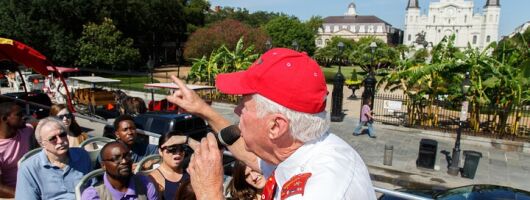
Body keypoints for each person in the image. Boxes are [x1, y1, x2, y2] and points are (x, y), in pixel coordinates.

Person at [166, 48, 376, 199]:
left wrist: (209, 193)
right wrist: (202, 109)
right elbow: (252, 156)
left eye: (244, 105)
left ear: (276, 126)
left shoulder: (322, 191)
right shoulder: (301, 147)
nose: (237, 110)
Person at [15, 117, 92, 199]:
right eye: (53, 138)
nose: (60, 141)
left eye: (62, 135)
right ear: (42, 144)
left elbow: (93, 188)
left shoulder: (82, 155)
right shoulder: (28, 168)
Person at [81, 141, 159, 200]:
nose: (124, 161)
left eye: (127, 156)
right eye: (116, 158)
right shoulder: (93, 195)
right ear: (103, 166)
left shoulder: (144, 183)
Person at [0, 103, 33, 198]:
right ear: (5, 119)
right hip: (12, 194)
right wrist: (27, 195)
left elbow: (43, 124)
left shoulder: (25, 130)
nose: (24, 117)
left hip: (34, 185)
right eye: (19, 114)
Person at [148, 131, 189, 200]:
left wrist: (188, 140)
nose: (178, 153)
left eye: (182, 148)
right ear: (161, 152)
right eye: (172, 149)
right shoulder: (154, 179)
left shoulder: (190, 170)